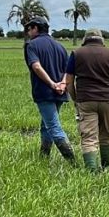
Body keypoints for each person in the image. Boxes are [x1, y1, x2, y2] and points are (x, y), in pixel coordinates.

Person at [65, 28, 109, 172]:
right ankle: (105, 167)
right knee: (106, 135)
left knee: (88, 138)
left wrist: (75, 98)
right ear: (101, 39)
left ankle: (92, 173)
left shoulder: (76, 53)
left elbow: (68, 81)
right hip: (108, 100)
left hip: (85, 99)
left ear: (85, 39)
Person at [24, 16, 75, 163]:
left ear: (36, 28)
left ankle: (72, 162)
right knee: (46, 124)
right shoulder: (60, 46)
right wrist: (63, 84)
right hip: (60, 91)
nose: (28, 31)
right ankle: (44, 155)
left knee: (53, 126)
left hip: (45, 91)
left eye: (30, 28)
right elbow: (68, 70)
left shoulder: (31, 45)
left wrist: (52, 84)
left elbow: (36, 66)